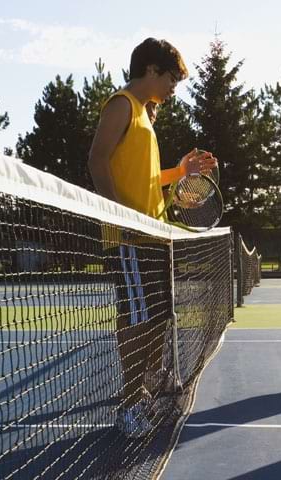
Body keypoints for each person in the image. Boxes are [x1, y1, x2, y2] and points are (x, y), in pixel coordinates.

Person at [87, 37, 217, 436]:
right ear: (150, 70)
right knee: (137, 322)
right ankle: (128, 406)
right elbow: (96, 160)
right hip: (129, 240)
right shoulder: (122, 105)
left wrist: (179, 173)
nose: (175, 86)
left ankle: (144, 389)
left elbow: (145, 180)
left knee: (156, 321)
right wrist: (118, 215)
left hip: (152, 236)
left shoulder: (146, 116)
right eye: (172, 77)